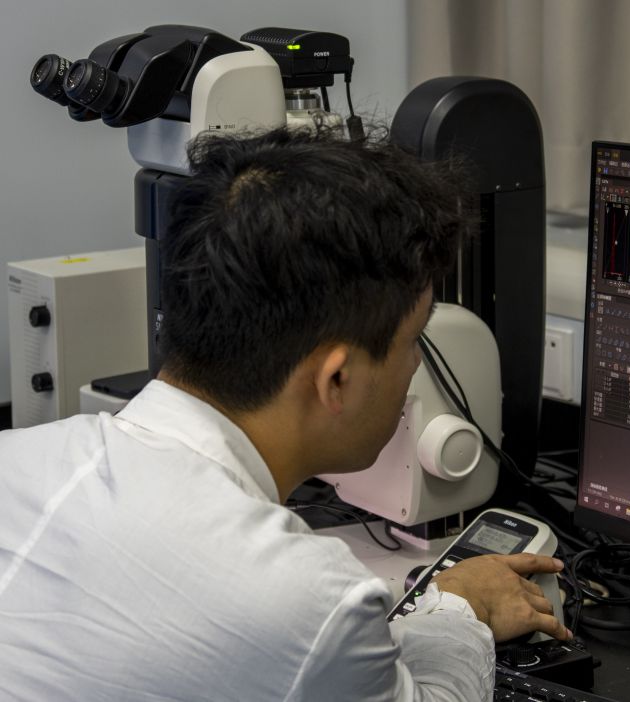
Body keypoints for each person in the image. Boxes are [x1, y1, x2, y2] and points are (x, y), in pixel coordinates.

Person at [0, 126, 570, 700]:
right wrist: (459, 612)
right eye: (414, 339)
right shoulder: (306, 600)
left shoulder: (17, 461)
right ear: (337, 379)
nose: (416, 363)